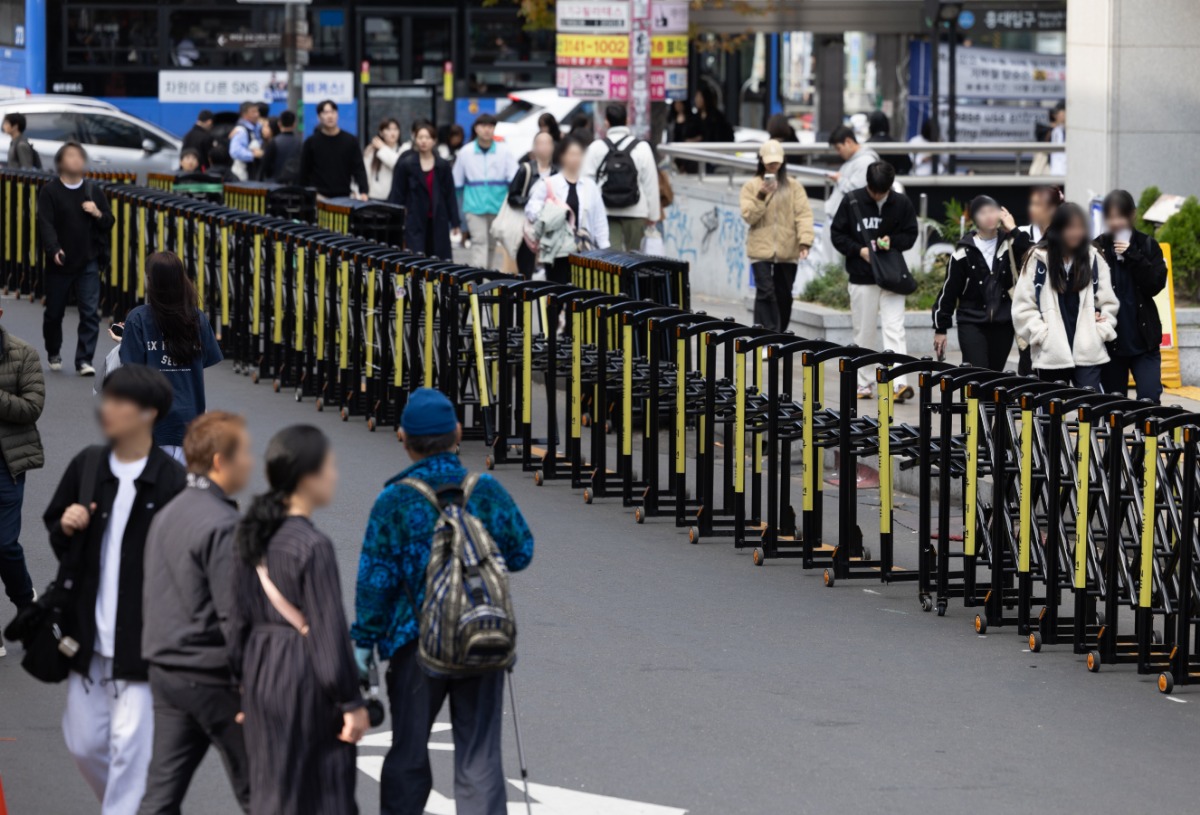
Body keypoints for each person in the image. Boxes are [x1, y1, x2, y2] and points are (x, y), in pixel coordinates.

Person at [351, 388, 534, 815]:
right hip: (480, 634)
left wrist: (363, 644)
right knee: (480, 758)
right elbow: (522, 551)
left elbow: (374, 583)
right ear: (457, 433)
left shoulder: (393, 501)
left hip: (413, 644)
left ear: (404, 439)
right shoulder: (484, 490)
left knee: (409, 754)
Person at [44, 365, 187, 815]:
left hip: (143, 643)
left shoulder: (171, 481)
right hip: (85, 635)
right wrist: (65, 525)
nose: (108, 409)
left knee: (130, 750)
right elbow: (55, 527)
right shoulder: (88, 464)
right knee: (84, 744)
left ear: (148, 413)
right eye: (107, 399)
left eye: (119, 401)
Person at [230, 425, 368, 815]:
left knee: (273, 790)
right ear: (308, 477)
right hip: (304, 676)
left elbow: (236, 618)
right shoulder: (313, 545)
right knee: (325, 793)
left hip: (260, 672)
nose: (334, 476)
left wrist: (241, 686)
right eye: (330, 467)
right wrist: (350, 701)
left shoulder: (251, 534)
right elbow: (327, 631)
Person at [138, 412, 254, 814]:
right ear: (221, 461)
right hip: (213, 675)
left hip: (167, 670)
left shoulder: (168, 511)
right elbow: (235, 615)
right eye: (246, 453)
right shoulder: (223, 524)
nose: (251, 463)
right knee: (264, 788)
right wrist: (251, 685)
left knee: (160, 796)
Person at [118, 251, 223, 462]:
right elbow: (202, 364)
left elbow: (132, 372)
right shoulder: (196, 318)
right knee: (186, 491)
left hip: (152, 425)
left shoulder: (138, 319)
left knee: (153, 493)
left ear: (151, 281)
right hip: (190, 421)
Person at [829, 160, 917, 400]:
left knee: (894, 328)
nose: (878, 196)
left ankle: (899, 382)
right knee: (864, 331)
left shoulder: (901, 202)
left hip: (891, 276)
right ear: (867, 184)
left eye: (883, 192)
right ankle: (864, 382)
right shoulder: (852, 200)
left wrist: (893, 242)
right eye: (874, 191)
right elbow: (837, 234)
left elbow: (910, 234)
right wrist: (859, 250)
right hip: (862, 276)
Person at [1011, 203, 1119, 389]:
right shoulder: (1037, 259)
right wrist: (1041, 334)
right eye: (1069, 227)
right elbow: (1023, 306)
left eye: (1080, 227)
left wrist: (1100, 331)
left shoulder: (1094, 258)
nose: (1075, 233)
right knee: (1050, 412)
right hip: (1051, 353)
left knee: (1092, 409)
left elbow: (1109, 302)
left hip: (1088, 351)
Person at [38, 142, 113, 376]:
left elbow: (109, 222)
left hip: (88, 260)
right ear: (60, 162)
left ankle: (84, 359)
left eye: (80, 156)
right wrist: (54, 249)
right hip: (59, 261)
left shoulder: (93, 191)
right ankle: (53, 351)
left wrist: (97, 212)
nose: (76, 160)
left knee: (90, 312)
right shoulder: (50, 191)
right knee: (54, 313)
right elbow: (45, 223)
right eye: (70, 155)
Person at [1095, 189, 1168, 402]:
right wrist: (1093, 311)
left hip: (1144, 342)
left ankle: (1149, 437)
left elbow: (1155, 284)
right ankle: (1114, 437)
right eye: (1110, 217)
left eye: (1120, 215)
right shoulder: (1096, 247)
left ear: (1133, 215)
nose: (1115, 222)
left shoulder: (1147, 245)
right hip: (1110, 343)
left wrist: (1133, 256)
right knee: (1113, 406)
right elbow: (1084, 288)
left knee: (1149, 398)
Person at [932, 195, 1018, 370]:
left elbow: (1032, 251)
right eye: (982, 212)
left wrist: (1014, 229)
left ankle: (985, 399)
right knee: (977, 373)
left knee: (995, 375)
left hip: (1003, 322)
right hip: (971, 321)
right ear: (974, 219)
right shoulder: (963, 252)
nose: (989, 216)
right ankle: (972, 399)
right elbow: (949, 291)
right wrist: (941, 329)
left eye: (992, 211)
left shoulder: (1011, 245)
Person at [0, 306, 44, 649]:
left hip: (7, 463)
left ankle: (26, 605)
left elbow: (32, 407)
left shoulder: (23, 353)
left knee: (4, 545)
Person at [740, 140, 814, 333]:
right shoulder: (751, 186)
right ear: (761, 161)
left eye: (777, 162)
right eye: (769, 162)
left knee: (784, 295)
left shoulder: (794, 186)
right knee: (765, 292)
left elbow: (803, 214)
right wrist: (762, 195)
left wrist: (805, 241)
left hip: (787, 249)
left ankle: (778, 335)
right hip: (760, 248)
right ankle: (766, 335)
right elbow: (748, 216)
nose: (773, 166)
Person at [525, 137, 610, 283]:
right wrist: (549, 215)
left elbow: (599, 219)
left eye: (579, 154)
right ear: (562, 156)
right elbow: (531, 209)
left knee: (581, 293)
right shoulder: (550, 183)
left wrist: (604, 247)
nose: (575, 159)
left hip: (584, 250)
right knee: (557, 291)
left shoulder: (590, 186)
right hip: (556, 250)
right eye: (571, 154)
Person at [582, 104, 661, 251]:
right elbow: (650, 182)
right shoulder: (641, 147)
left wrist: (587, 214)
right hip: (636, 210)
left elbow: (586, 183)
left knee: (613, 261)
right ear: (627, 120)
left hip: (605, 211)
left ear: (606, 122)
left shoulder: (596, 147)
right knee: (635, 259)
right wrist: (653, 215)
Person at [1005, 185, 1064, 374]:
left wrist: (1014, 231)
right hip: (1032, 315)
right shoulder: (1023, 232)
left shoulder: (1066, 234)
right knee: (1028, 371)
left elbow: (1041, 254)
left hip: (1060, 316)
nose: (1033, 209)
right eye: (1032, 204)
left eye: (1039, 204)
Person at [453, 113, 518, 270]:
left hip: (498, 206)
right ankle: (478, 278)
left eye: (490, 126)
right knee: (479, 241)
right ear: (476, 128)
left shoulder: (504, 151)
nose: (487, 130)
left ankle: (486, 278)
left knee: (491, 244)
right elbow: (457, 182)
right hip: (474, 206)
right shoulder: (465, 152)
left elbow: (515, 178)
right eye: (483, 126)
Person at [390, 121, 460, 259]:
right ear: (415, 139)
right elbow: (398, 193)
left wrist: (455, 222)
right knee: (416, 258)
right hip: (414, 218)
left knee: (439, 258)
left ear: (434, 140)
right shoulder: (407, 164)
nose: (423, 141)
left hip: (438, 218)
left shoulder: (442, 165)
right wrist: (397, 218)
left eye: (427, 137)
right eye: (420, 137)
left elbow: (450, 194)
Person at [506, 130, 557, 278]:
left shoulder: (557, 172)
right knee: (526, 267)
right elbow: (512, 196)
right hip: (527, 227)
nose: (544, 147)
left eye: (548, 143)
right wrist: (532, 203)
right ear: (534, 147)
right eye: (540, 143)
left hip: (550, 227)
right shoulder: (525, 169)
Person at [300, 100, 370, 200]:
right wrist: (304, 194)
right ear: (319, 117)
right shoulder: (311, 142)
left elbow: (358, 168)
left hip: (344, 196)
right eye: (325, 112)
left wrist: (364, 191)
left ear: (337, 114)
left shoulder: (350, 140)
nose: (330, 116)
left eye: (332, 112)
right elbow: (304, 171)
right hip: (319, 197)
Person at [825, 124, 881, 225]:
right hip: (840, 219)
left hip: (847, 223)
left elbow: (857, 191)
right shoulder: (854, 160)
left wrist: (840, 179)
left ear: (848, 142)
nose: (838, 153)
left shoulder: (865, 161)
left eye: (839, 148)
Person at [364, 118, 404, 201]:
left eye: (395, 129)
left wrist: (382, 147)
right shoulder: (372, 150)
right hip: (374, 197)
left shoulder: (403, 150)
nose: (392, 133)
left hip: (395, 198)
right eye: (388, 129)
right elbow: (365, 172)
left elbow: (398, 165)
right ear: (381, 133)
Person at [260, 109, 303, 184]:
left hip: (274, 185)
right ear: (294, 124)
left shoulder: (274, 142)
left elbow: (264, 166)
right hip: (294, 186)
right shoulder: (299, 143)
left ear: (279, 123)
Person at [868, 110, 912, 175]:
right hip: (897, 181)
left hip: (872, 182)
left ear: (871, 126)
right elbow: (907, 166)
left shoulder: (866, 146)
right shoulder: (898, 145)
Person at [228, 101, 263, 182]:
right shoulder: (241, 130)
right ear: (244, 115)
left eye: (257, 111)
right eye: (253, 112)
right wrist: (252, 155)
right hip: (243, 174)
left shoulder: (257, 127)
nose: (257, 114)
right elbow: (235, 151)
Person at [1048, 100, 1067, 176]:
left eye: (1058, 112)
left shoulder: (1074, 131)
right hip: (1056, 174)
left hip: (1069, 175)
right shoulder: (1055, 131)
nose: (1056, 116)